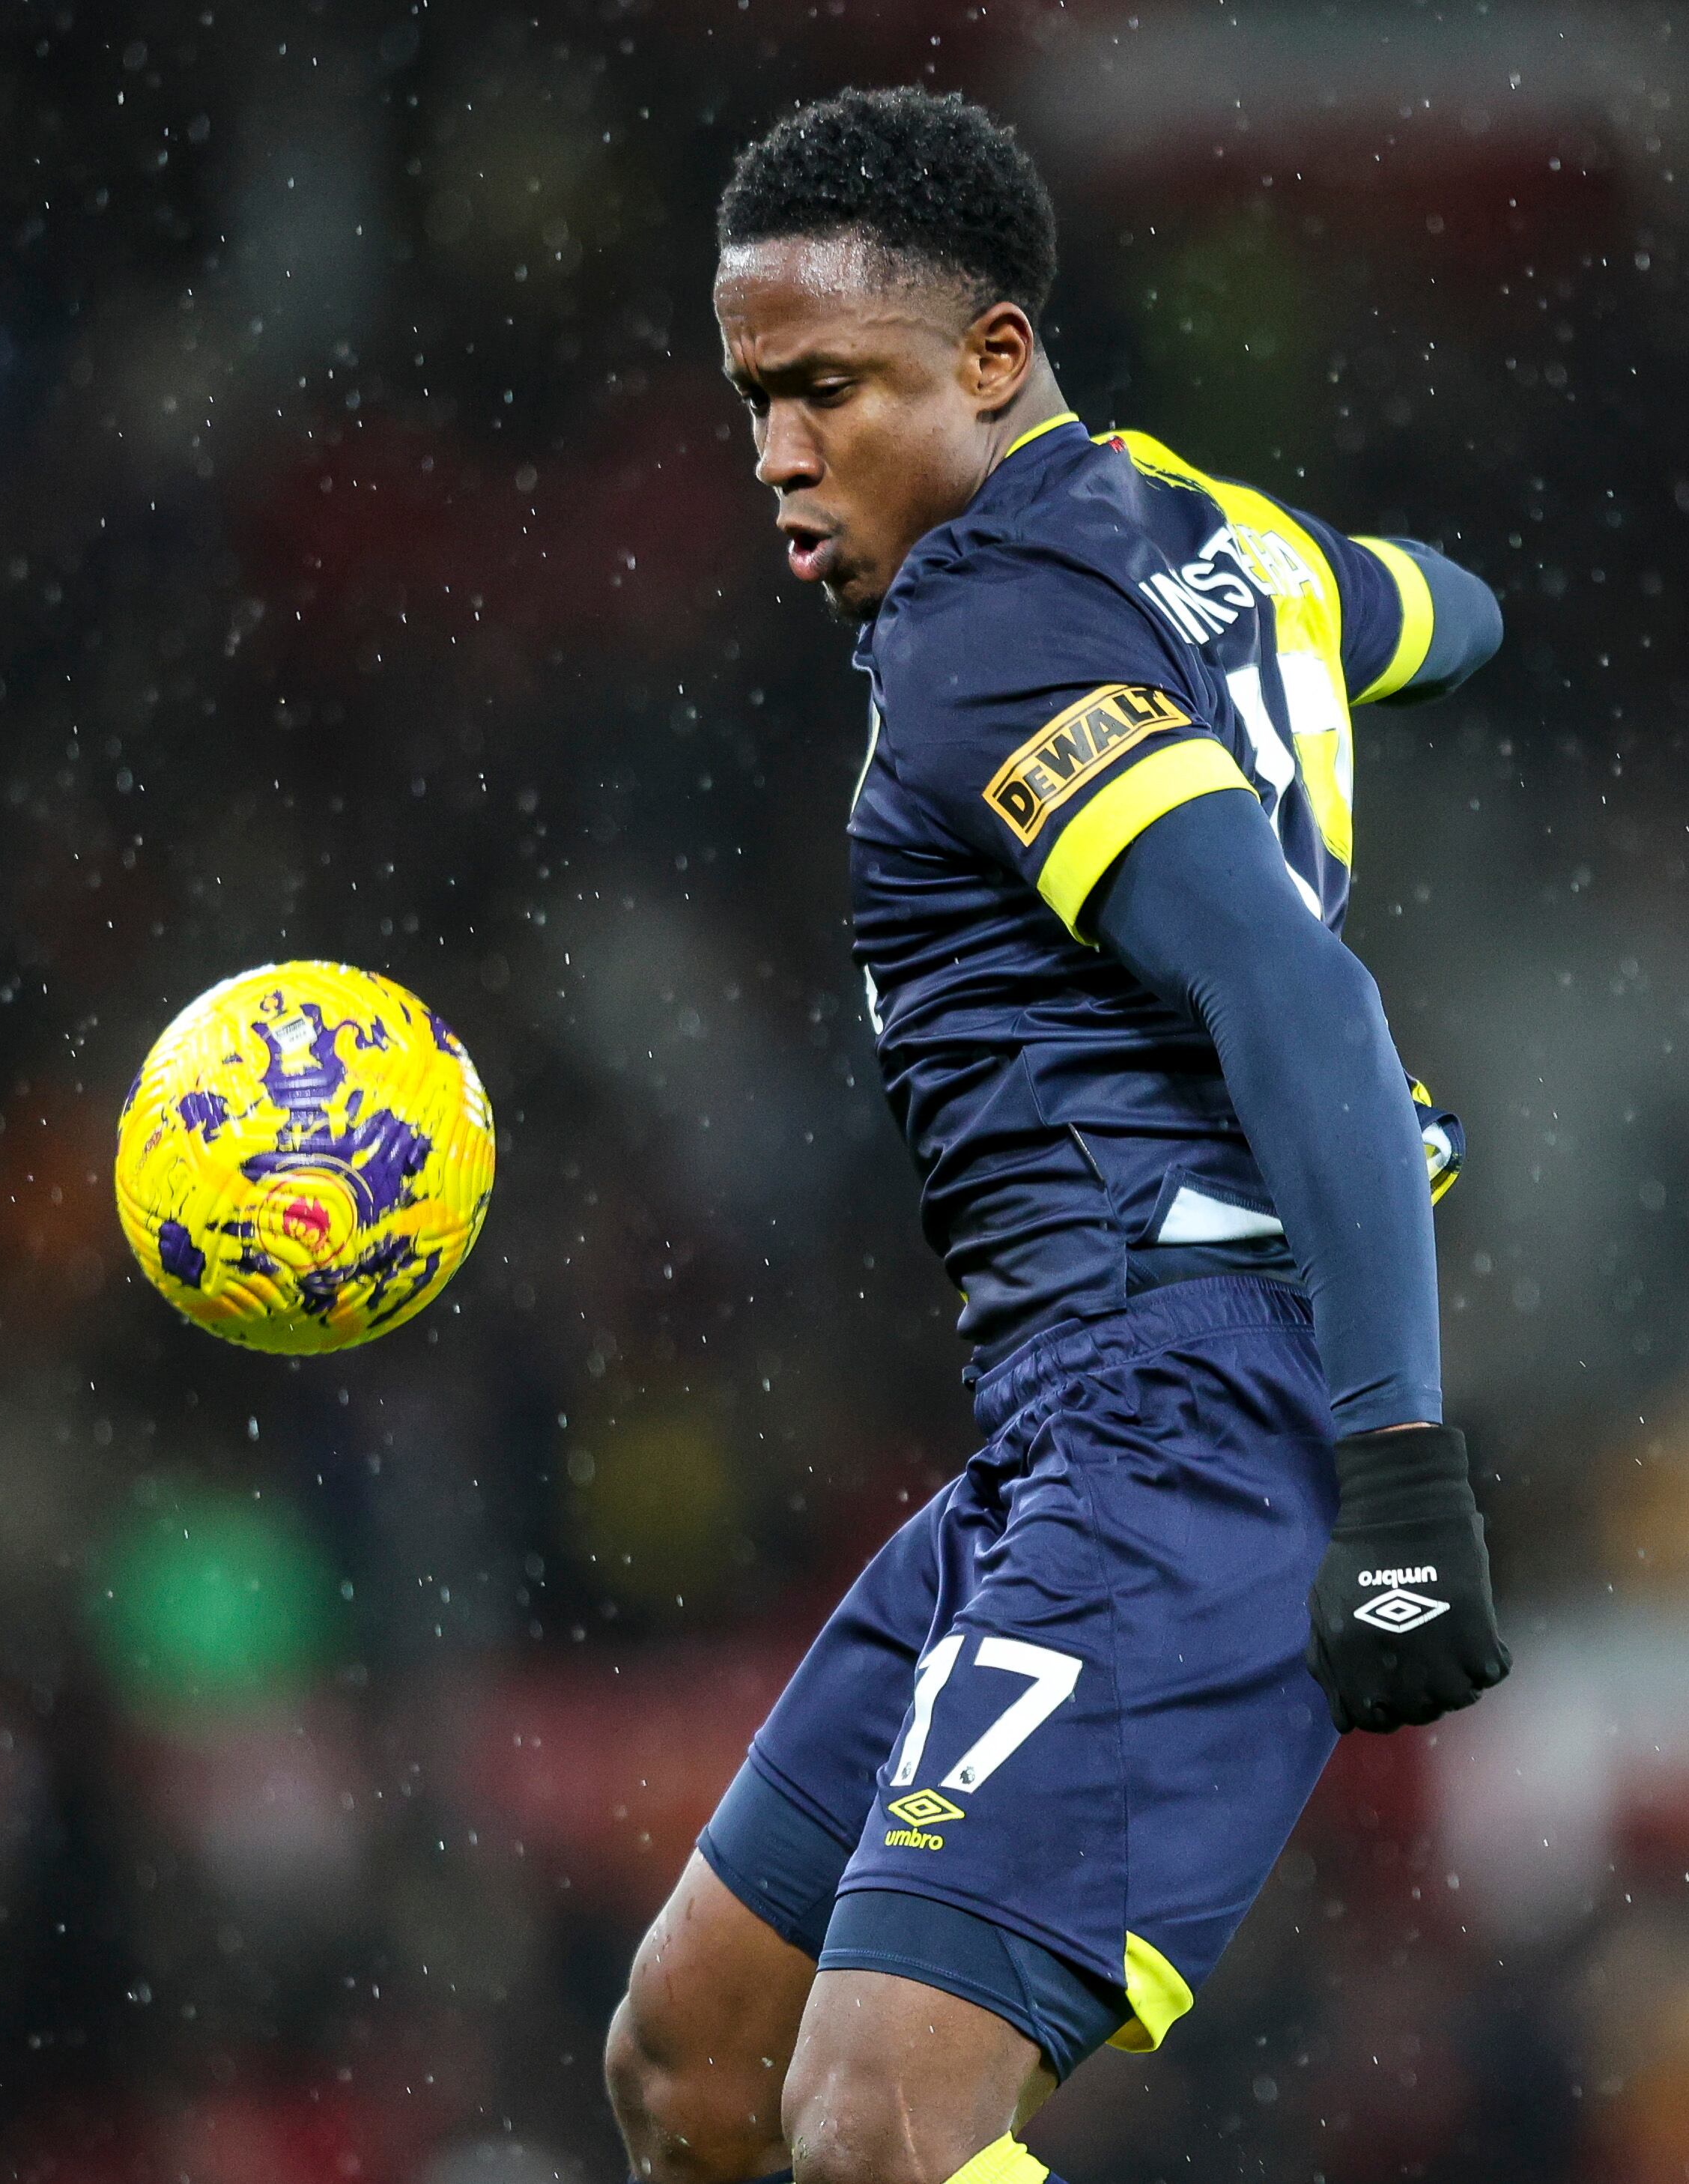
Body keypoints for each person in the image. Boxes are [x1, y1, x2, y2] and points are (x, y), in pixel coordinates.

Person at [605, 88, 1511, 2184]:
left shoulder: (983, 642)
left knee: (876, 2130)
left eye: (822, 390)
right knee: (694, 2067)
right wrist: (1311, 615)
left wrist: (1400, 1464)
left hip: (1183, 1421)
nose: (773, 457)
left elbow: (1296, 996)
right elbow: (1441, 606)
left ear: (991, 359)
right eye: (750, 402)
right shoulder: (1212, 535)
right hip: (1062, 1434)